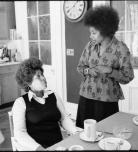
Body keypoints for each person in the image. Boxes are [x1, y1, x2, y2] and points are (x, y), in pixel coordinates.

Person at [76, 5, 134, 128]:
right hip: (86, 95)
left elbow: (128, 76)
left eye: (94, 33)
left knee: (106, 132)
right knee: (84, 131)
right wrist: (88, 71)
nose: (90, 36)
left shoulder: (120, 48)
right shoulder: (90, 46)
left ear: (105, 30)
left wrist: (110, 71)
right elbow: (80, 67)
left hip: (107, 100)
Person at [12, 57, 78, 151]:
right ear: (28, 83)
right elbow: (20, 133)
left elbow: (64, 118)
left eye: (42, 74)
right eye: (38, 76)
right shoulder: (20, 103)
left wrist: (75, 132)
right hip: (36, 148)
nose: (43, 78)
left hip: (58, 146)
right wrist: (39, 148)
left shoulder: (53, 95)